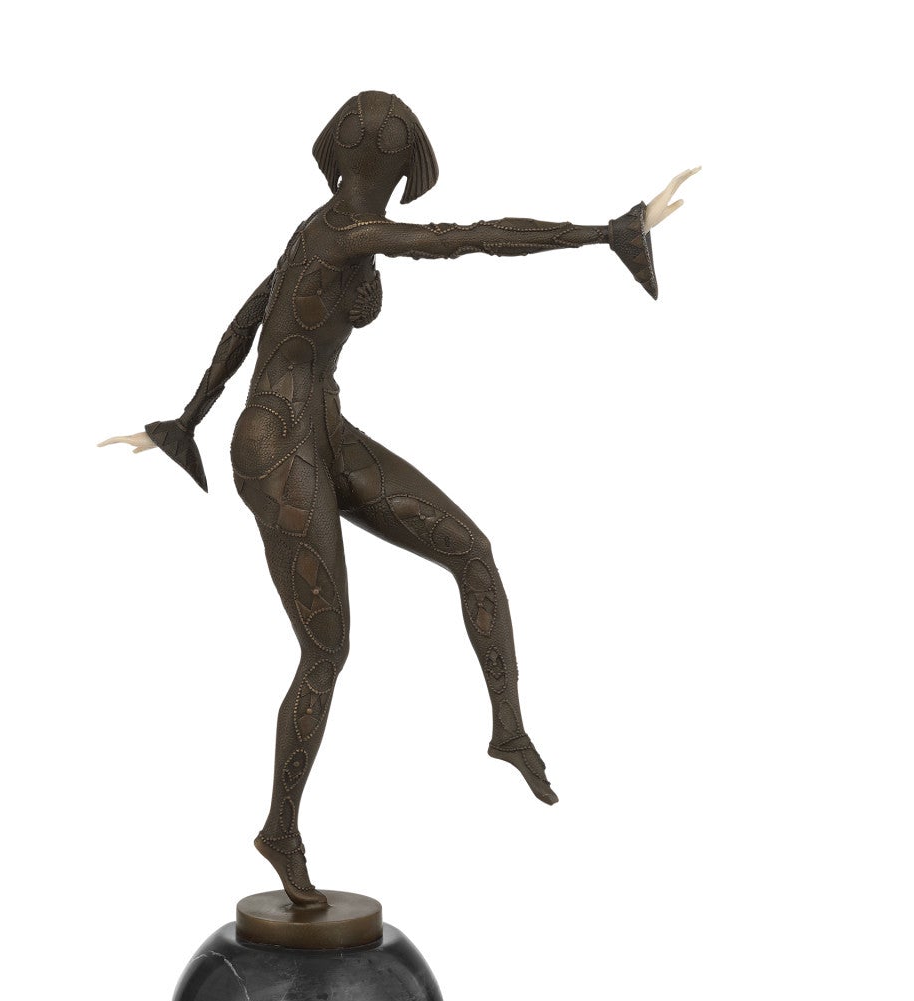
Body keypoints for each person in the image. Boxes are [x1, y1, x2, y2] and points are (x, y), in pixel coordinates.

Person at [103, 91, 698, 904]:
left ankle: (508, 731)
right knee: (326, 651)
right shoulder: (349, 230)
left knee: (472, 551)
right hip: (279, 443)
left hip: (319, 429)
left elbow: (250, 317)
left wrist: (187, 417)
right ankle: (280, 830)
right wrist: (606, 233)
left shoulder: (323, 228)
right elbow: (471, 239)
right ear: (399, 163)